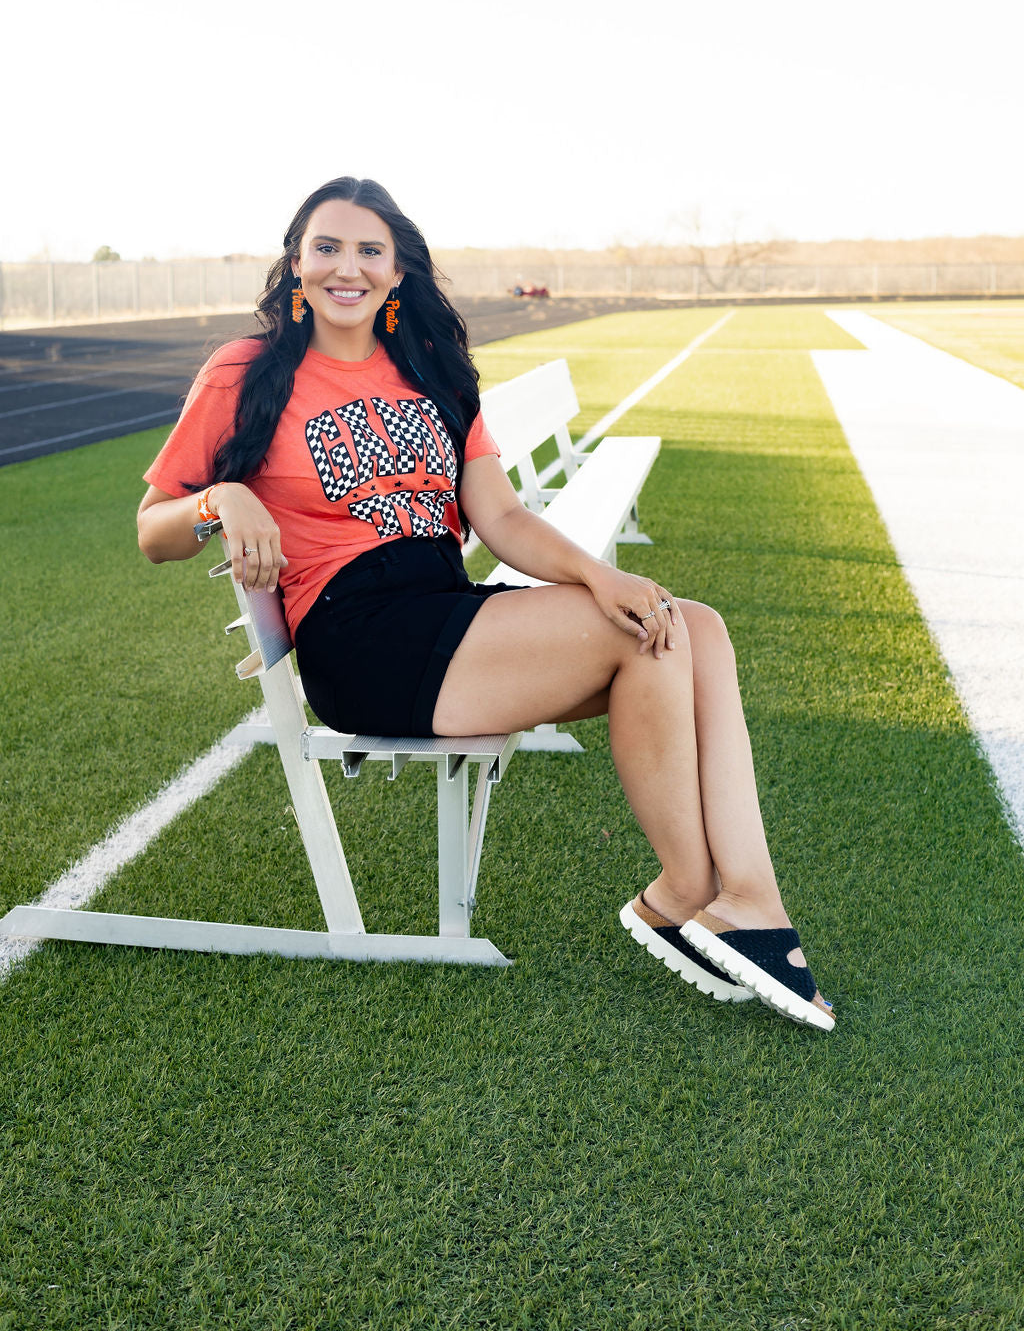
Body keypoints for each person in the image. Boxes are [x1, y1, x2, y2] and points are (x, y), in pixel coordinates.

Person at [137, 176, 834, 1032]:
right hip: (360, 641)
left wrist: (598, 574)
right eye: (326, 247)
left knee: (695, 628)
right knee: (642, 642)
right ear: (295, 264)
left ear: (398, 273)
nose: (345, 267)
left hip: (442, 608)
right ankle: (684, 893)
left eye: (368, 250)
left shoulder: (432, 373)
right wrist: (221, 500)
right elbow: (154, 529)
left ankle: (750, 898)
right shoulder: (245, 370)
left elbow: (499, 516)